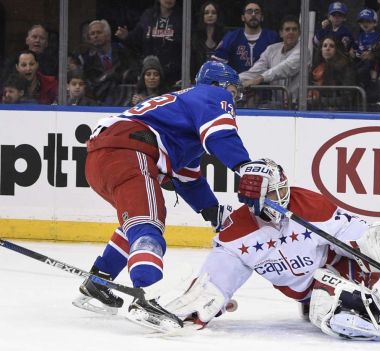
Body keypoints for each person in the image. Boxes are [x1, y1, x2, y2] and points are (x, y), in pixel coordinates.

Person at [73, 60, 274, 332]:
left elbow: (187, 177)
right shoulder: (212, 94)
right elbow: (221, 135)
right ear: (219, 84)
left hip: (104, 157)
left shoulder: (179, 115)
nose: (233, 97)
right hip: (129, 151)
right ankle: (145, 294)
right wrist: (244, 166)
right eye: (232, 90)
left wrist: (212, 212)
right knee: (149, 221)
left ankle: (99, 281)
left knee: (135, 221)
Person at [162, 159, 380, 341]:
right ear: (254, 199)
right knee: (324, 304)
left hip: (338, 268)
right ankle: (315, 300)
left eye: (283, 189)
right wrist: (203, 302)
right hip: (301, 290)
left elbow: (355, 236)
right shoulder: (236, 233)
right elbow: (215, 284)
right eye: (275, 193)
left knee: (344, 309)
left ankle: (336, 296)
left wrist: (376, 243)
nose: (284, 196)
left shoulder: (308, 204)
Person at [115, 0, 183, 87]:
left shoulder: (182, 17)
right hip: (150, 73)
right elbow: (136, 39)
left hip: (173, 75)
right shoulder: (148, 15)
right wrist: (126, 36)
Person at [240, 15, 302, 109]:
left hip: (297, 106)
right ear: (281, 33)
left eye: (294, 29)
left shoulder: (304, 51)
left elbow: (285, 68)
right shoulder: (272, 49)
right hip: (276, 105)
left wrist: (259, 79)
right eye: (287, 29)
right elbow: (254, 72)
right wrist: (233, 81)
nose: (291, 32)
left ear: (299, 33)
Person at [212, 2, 280, 73]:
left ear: (262, 17)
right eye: (249, 12)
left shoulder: (272, 37)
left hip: (266, 83)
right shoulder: (231, 37)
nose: (253, 14)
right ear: (243, 17)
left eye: (257, 12)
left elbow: (280, 65)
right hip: (237, 83)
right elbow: (217, 64)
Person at [81, 19, 137, 104]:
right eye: (92, 34)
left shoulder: (123, 52)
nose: (95, 36)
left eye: (99, 32)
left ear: (107, 35)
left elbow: (133, 74)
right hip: (100, 104)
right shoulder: (88, 61)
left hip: (125, 101)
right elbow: (91, 87)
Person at [310, 35, 357, 110]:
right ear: (320, 49)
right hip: (315, 107)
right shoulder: (315, 67)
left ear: (337, 49)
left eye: (331, 46)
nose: (327, 48)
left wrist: (317, 101)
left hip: (335, 110)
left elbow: (347, 97)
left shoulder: (345, 67)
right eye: (325, 46)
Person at [350, 8, 380, 90]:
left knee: (370, 63)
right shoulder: (360, 36)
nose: (365, 24)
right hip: (359, 61)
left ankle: (373, 81)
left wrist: (372, 54)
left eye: (368, 21)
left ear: (375, 23)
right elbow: (355, 47)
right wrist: (352, 51)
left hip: (373, 62)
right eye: (362, 21)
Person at [191, 1, 226, 75]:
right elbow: (192, 62)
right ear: (202, 16)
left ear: (218, 16)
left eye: (213, 13)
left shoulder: (224, 37)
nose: (210, 15)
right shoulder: (196, 38)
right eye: (206, 13)